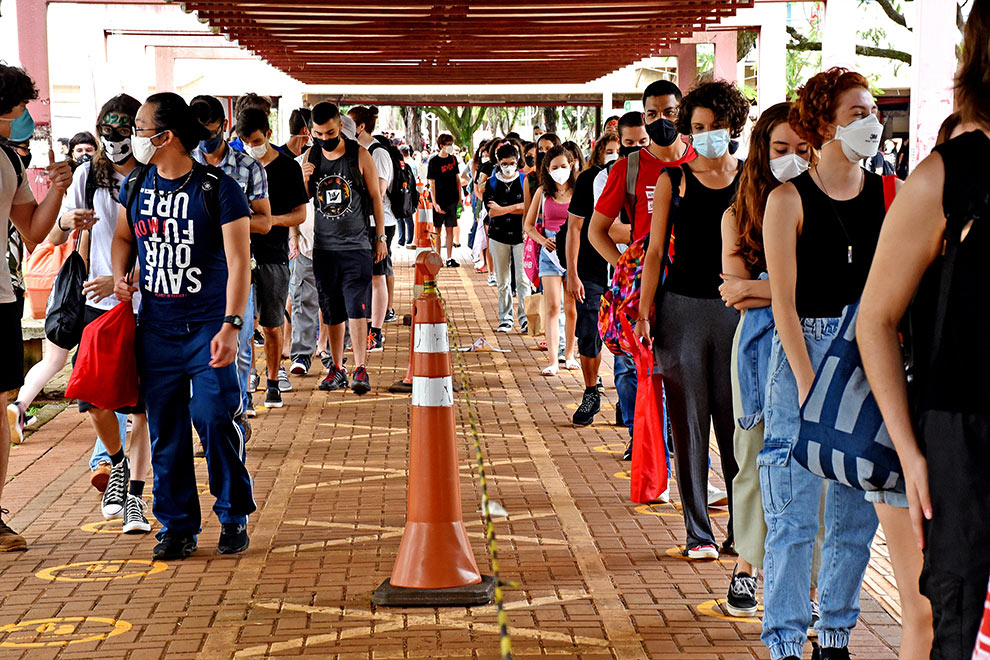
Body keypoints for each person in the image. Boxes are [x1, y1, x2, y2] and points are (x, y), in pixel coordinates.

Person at [858, 7, 990, 656]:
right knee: (953, 618)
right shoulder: (944, 175)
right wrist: (911, 453)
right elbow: (875, 320)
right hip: (959, 434)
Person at [759, 68, 891, 660]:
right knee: (792, 512)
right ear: (825, 123)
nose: (872, 122)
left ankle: (834, 632)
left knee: (854, 514)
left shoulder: (890, 194)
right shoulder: (788, 198)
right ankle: (785, 639)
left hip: (869, 353)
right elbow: (782, 303)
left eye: (873, 111)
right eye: (858, 112)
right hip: (804, 354)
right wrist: (810, 385)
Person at [112, 91, 256, 560]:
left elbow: (239, 263)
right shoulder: (135, 186)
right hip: (155, 329)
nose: (132, 135)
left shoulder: (218, 189)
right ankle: (176, 526)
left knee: (214, 418)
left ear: (165, 136)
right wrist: (120, 275)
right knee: (166, 432)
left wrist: (232, 325)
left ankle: (233, 513)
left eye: (139, 126)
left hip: (208, 328)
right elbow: (122, 236)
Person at [634, 80, 747, 561]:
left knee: (738, 425)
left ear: (732, 125)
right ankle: (698, 532)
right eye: (698, 127)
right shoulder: (673, 180)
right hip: (680, 311)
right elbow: (656, 250)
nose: (706, 135)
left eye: (715, 126)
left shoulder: (753, 177)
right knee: (689, 424)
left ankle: (742, 532)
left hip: (739, 313)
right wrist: (644, 308)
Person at [719, 102, 817, 616]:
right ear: (761, 152)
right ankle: (746, 567)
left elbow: (818, 289)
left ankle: (814, 585)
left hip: (816, 342)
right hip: (758, 349)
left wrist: (762, 287)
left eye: (804, 150)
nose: (794, 160)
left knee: (815, 464)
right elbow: (731, 291)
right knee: (754, 456)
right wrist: (781, 289)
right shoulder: (737, 214)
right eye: (782, 150)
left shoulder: (825, 210)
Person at [49, 94, 154, 534]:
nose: (116, 142)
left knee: (142, 407)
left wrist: (126, 281)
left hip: (149, 305)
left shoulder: (155, 178)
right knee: (93, 399)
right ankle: (114, 464)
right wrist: (68, 219)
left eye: (125, 132)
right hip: (98, 306)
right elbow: (53, 235)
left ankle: (134, 497)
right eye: (107, 134)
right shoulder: (88, 177)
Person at [589, 83, 696, 462]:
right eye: (652, 114)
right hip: (645, 292)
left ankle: (684, 453)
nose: (661, 121)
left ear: (682, 112)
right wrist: (626, 269)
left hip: (693, 286)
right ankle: (646, 444)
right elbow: (595, 231)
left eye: (669, 112)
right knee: (640, 372)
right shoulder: (628, 167)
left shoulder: (702, 162)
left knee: (686, 377)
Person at [0, 63, 73, 551]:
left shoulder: (9, 158)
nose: (28, 115)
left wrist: (60, 187)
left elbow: (32, 230)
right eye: (24, 106)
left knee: (1, 403)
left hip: (2, 296)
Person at [191, 94, 272, 418]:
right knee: (199, 348)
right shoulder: (182, 166)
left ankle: (236, 412)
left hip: (234, 269)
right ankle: (209, 414)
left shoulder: (248, 168)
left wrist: (228, 222)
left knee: (238, 343)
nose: (207, 143)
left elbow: (265, 221)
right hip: (191, 273)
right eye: (200, 136)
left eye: (212, 135)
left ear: (224, 128)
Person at [302, 101, 387, 395]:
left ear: (340, 126)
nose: (324, 139)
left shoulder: (359, 155)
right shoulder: (310, 157)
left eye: (329, 132)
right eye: (318, 134)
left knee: (357, 308)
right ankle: (336, 368)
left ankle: (360, 367)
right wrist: (303, 177)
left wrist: (380, 238)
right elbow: (302, 202)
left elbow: (376, 198)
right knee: (331, 310)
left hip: (357, 247)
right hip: (324, 249)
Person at [236, 108, 308, 409]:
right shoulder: (235, 167)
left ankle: (274, 380)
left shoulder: (288, 168)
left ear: (268, 134)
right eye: (245, 141)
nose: (252, 146)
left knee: (272, 324)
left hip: (274, 256)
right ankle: (249, 379)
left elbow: (300, 214)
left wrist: (269, 221)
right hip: (239, 256)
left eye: (256, 139)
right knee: (243, 326)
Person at [566, 133, 619, 426]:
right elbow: (574, 228)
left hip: (626, 269)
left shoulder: (643, 177)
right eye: (609, 150)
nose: (616, 154)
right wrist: (572, 273)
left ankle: (627, 397)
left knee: (625, 335)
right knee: (589, 331)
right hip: (591, 269)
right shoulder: (589, 181)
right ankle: (590, 391)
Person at [524, 145, 578, 376]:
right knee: (553, 307)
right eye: (554, 167)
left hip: (573, 251)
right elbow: (528, 225)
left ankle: (570, 355)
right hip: (549, 253)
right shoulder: (542, 193)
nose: (559, 171)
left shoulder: (579, 191)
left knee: (572, 307)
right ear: (547, 168)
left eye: (563, 166)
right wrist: (543, 240)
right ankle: (554, 360)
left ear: (572, 165)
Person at [347, 106, 394, 351]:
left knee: (377, 277)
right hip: (362, 223)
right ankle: (365, 328)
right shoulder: (357, 151)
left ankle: (375, 332)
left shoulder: (377, 153)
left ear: (361, 127)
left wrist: (380, 237)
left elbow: (379, 191)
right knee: (365, 278)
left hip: (379, 224)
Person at [484, 142, 528, 333]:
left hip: (522, 236)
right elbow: (491, 212)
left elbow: (530, 207)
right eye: (504, 163)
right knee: (503, 281)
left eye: (512, 162)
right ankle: (505, 318)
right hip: (498, 236)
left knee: (523, 279)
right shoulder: (492, 183)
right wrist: (516, 207)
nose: (509, 166)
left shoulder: (525, 180)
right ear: (498, 163)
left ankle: (526, 318)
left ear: (517, 161)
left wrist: (504, 209)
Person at [427, 133, 463, 266]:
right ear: (441, 145)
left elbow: (457, 179)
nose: (450, 147)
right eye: (448, 144)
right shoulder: (434, 161)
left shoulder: (453, 159)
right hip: (440, 201)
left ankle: (449, 257)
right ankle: (437, 257)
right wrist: (435, 203)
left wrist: (460, 199)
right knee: (437, 229)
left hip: (452, 200)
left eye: (451, 144)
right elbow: (432, 183)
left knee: (450, 229)